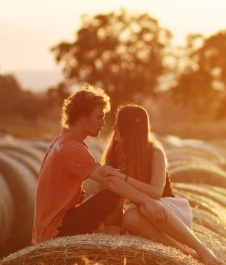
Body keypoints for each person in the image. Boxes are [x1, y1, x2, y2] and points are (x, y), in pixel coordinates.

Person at [32, 84, 168, 244]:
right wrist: (148, 202)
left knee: (111, 188)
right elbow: (110, 181)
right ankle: (119, 234)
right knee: (113, 191)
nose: (103, 123)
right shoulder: (73, 149)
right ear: (82, 117)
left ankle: (113, 231)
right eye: (98, 117)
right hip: (56, 231)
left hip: (46, 227)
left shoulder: (60, 141)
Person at [101, 103, 219, 265]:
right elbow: (116, 194)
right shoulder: (116, 152)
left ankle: (201, 248)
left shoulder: (155, 152)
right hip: (146, 218)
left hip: (169, 213)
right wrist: (112, 226)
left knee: (146, 206)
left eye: (118, 122)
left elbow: (155, 193)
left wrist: (122, 176)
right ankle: (183, 251)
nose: (113, 126)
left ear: (129, 128)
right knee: (130, 217)